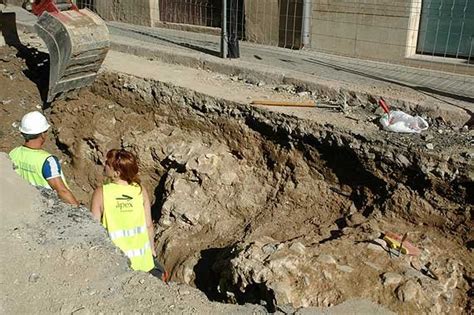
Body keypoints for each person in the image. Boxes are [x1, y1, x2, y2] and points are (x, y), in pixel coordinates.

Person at [91, 149, 166, 278]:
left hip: (117, 263)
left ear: (117, 173)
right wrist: (152, 250)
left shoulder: (101, 193)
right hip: (143, 262)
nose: (104, 165)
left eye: (107, 164)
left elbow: (93, 229)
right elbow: (148, 225)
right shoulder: (140, 190)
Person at [9, 111, 79, 206]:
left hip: (21, 206)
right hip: (43, 209)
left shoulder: (13, 153)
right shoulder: (48, 161)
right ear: (42, 134)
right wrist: (79, 210)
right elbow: (62, 191)